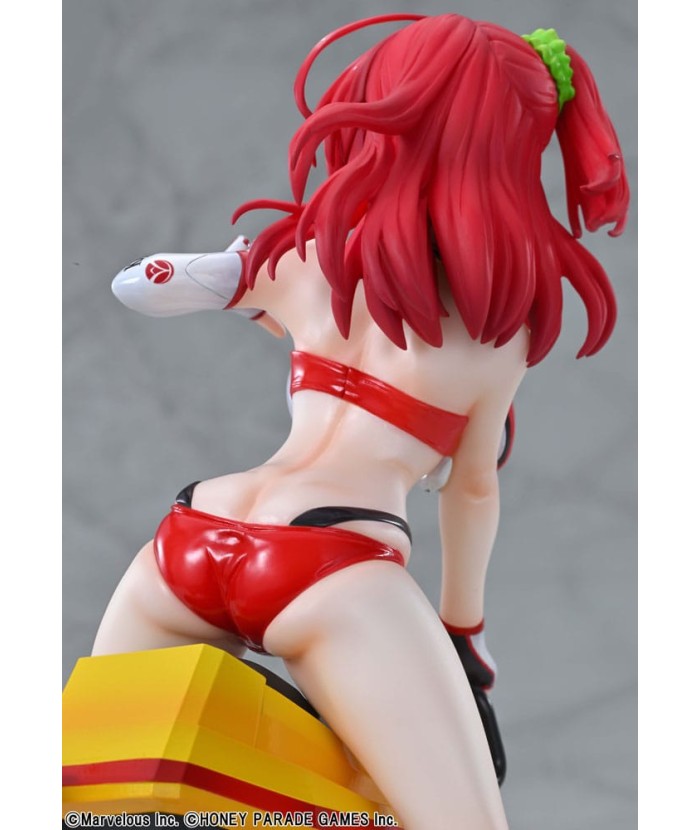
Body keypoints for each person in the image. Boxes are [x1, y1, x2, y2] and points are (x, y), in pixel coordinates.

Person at [95, 14, 629, 829]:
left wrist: (235, 273)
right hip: (333, 564)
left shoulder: (308, 262)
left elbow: (140, 285)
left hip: (190, 538)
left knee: (106, 796)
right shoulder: (496, 338)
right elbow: (472, 492)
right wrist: (464, 633)